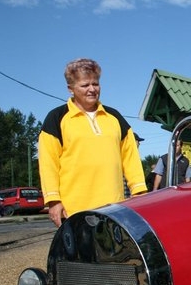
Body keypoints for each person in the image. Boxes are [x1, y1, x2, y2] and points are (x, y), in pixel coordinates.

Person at [38, 58, 147, 227]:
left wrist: (139, 191)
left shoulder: (114, 117)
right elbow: (48, 163)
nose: (92, 89)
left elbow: (130, 156)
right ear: (71, 89)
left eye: (95, 84)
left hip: (115, 210)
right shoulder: (57, 118)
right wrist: (53, 200)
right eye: (85, 85)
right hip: (74, 211)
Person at [124, 132, 145, 198]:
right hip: (126, 194)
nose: (139, 143)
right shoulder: (128, 156)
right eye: (137, 141)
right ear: (132, 140)